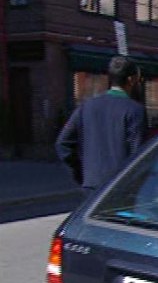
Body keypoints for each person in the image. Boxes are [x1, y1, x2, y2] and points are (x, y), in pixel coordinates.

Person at [56, 55, 147, 196]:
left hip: (91, 184)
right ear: (131, 80)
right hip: (120, 187)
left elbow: (63, 144)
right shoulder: (135, 110)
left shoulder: (87, 106)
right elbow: (138, 154)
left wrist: (81, 173)